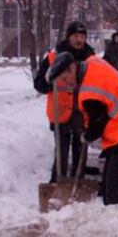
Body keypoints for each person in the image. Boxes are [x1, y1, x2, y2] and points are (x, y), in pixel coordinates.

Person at [47, 52, 118, 205]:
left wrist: (86, 137)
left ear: (72, 68)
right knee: (109, 185)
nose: (65, 83)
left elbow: (98, 123)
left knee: (116, 192)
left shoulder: (89, 92)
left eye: (65, 78)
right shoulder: (92, 62)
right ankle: (114, 217)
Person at [34, 21, 96, 181]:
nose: (79, 40)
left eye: (82, 36)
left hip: (82, 114)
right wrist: (51, 81)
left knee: (80, 154)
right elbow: (39, 83)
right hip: (60, 112)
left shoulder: (91, 60)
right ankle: (57, 185)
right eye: (76, 36)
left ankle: (78, 185)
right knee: (61, 155)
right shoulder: (53, 58)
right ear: (69, 37)